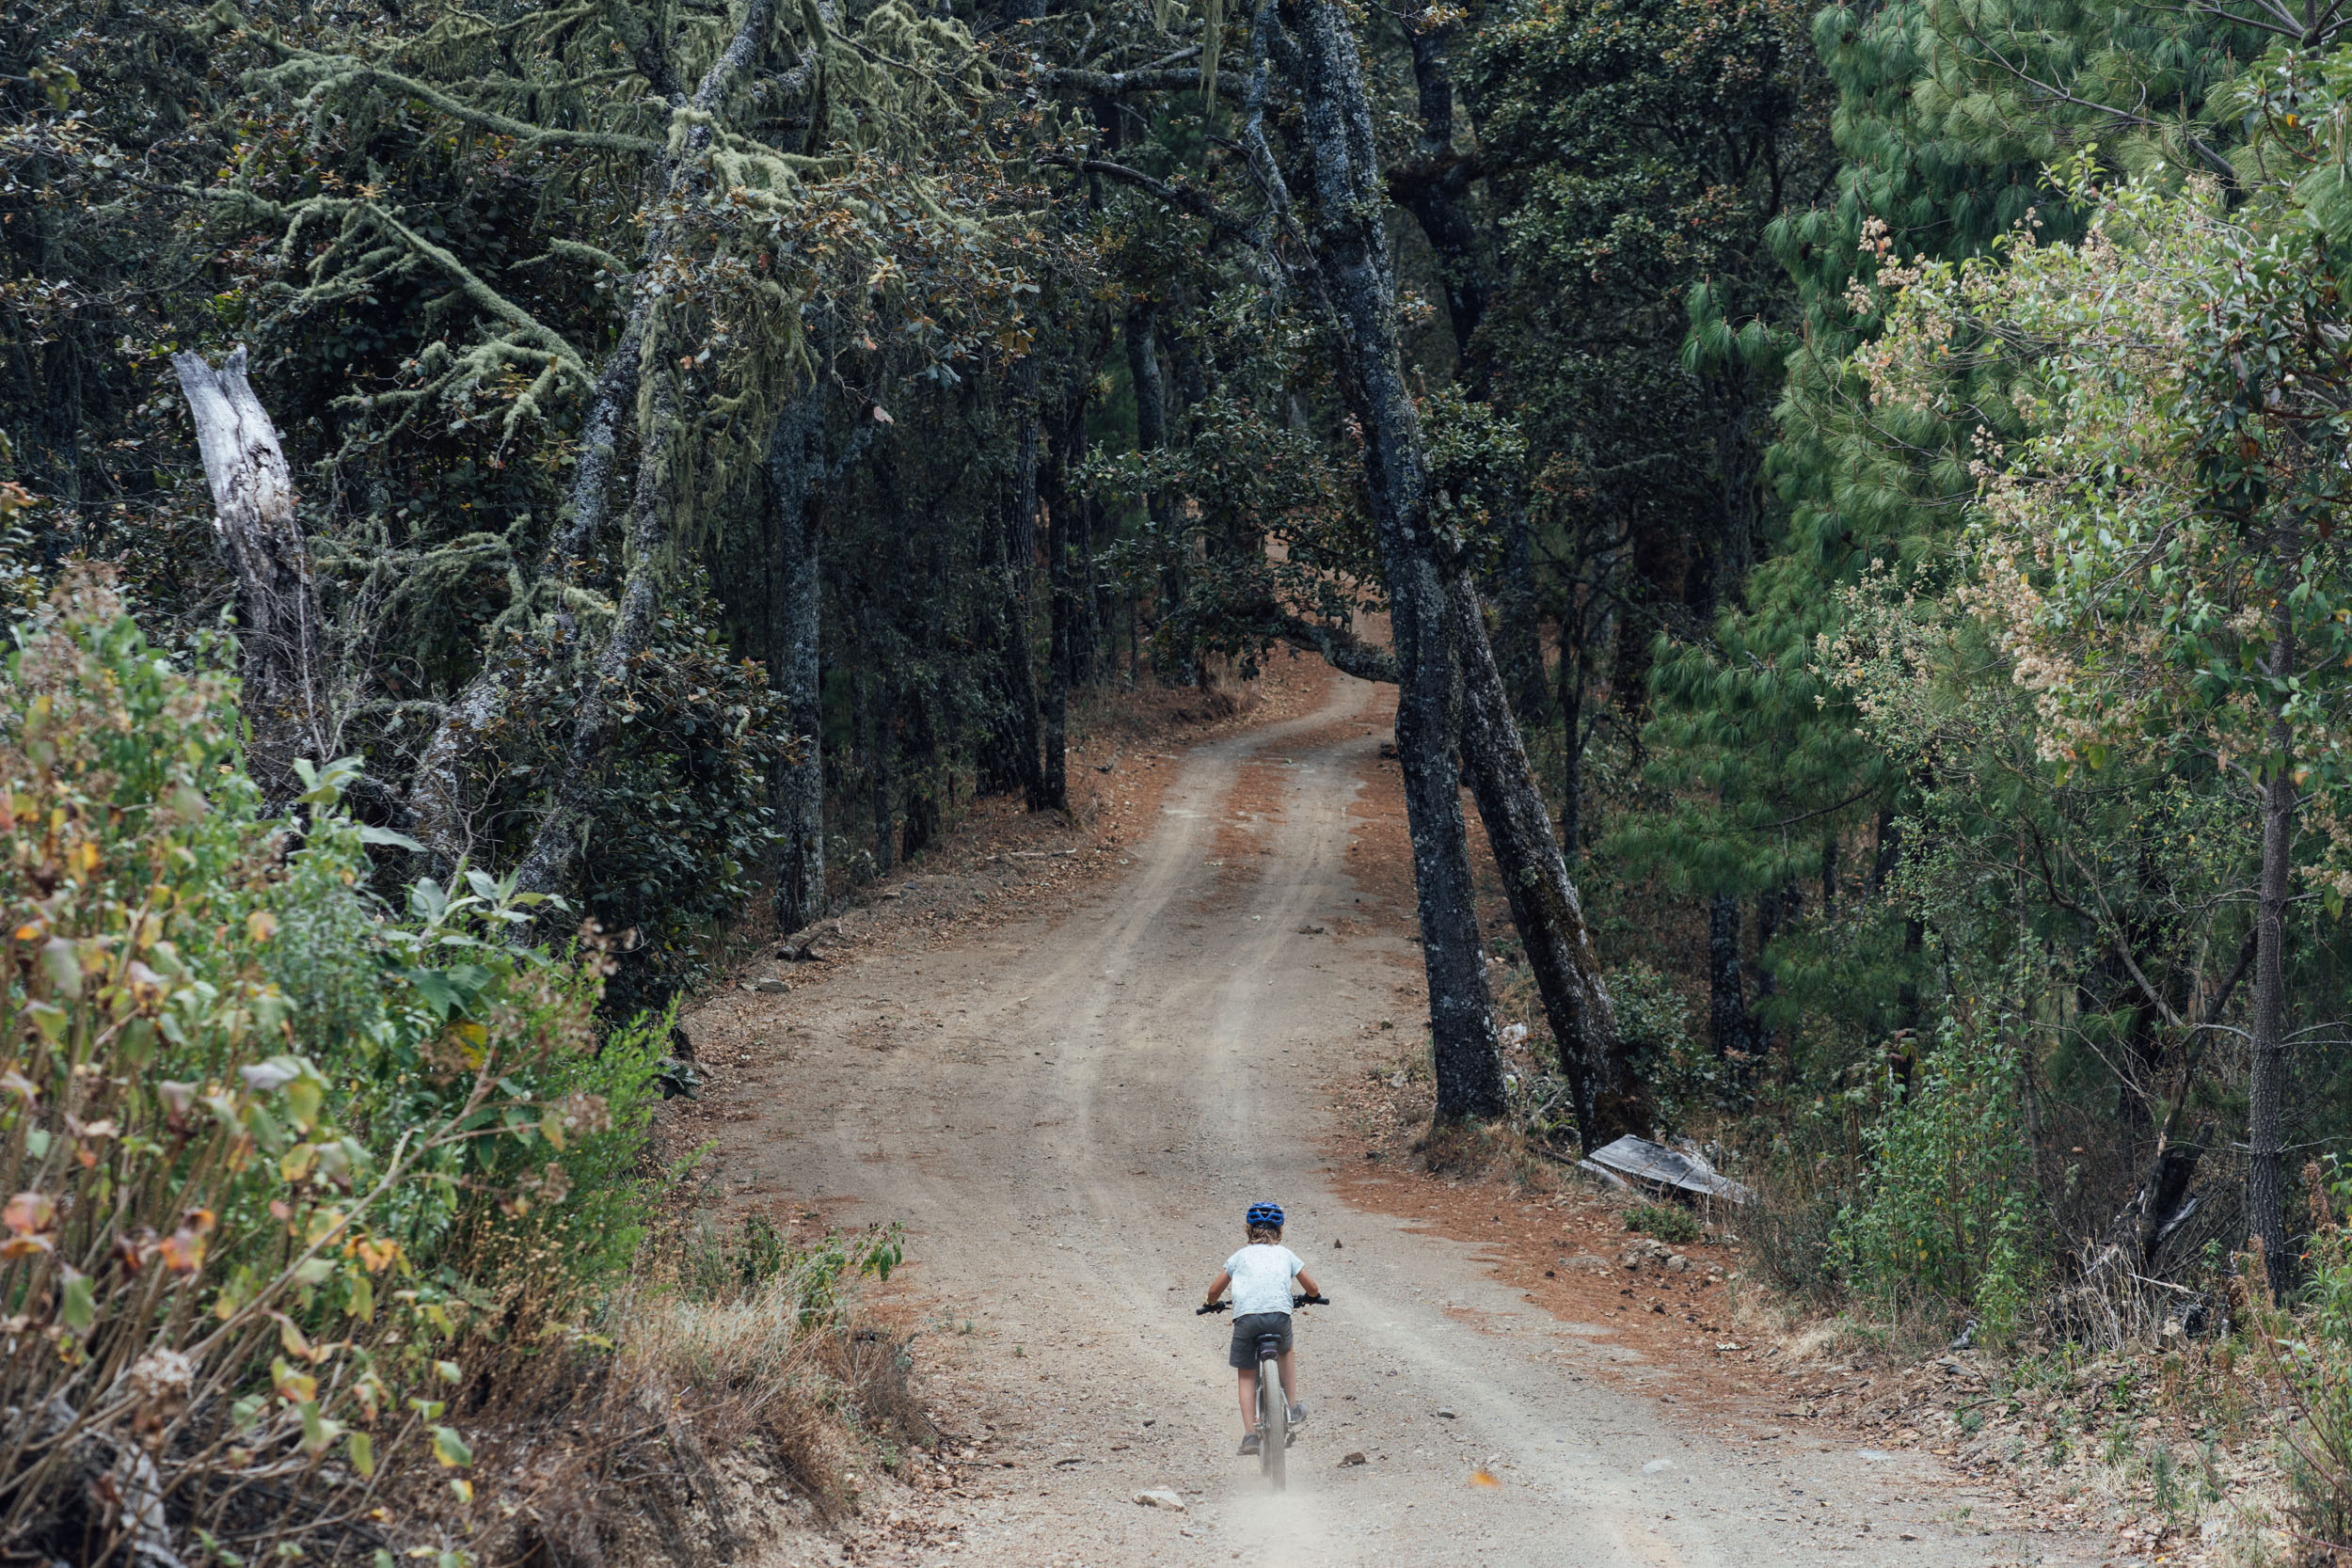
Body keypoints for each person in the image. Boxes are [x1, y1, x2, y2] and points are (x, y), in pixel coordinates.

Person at [1201, 1201, 1321, 1455]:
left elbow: (1213, 1291)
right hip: (1278, 1317)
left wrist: (1211, 1303)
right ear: (1279, 1231)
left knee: (1246, 1374)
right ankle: (1291, 1408)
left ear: (1249, 1229)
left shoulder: (1239, 1256)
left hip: (1247, 1320)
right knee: (1285, 1351)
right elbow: (1312, 1288)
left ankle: (1251, 1436)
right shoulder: (1286, 1254)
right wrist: (1312, 1297)